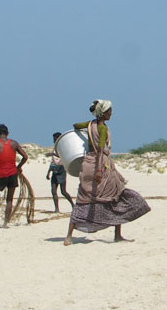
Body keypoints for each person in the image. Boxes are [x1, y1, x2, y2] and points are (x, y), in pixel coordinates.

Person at [64, 99, 150, 246]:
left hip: (87, 163)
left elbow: (75, 126)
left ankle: (68, 237)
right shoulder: (103, 128)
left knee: (83, 198)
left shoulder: (90, 124)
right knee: (116, 195)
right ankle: (117, 235)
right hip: (100, 164)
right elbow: (100, 149)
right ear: (103, 113)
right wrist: (99, 170)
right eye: (109, 111)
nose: (111, 113)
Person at [47, 132, 74, 213]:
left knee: (63, 191)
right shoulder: (54, 148)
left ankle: (73, 205)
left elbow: (65, 156)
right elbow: (52, 161)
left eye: (55, 138)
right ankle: (56, 209)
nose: (54, 140)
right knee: (53, 191)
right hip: (54, 169)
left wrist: (53, 153)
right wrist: (48, 172)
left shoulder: (63, 147)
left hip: (61, 169)